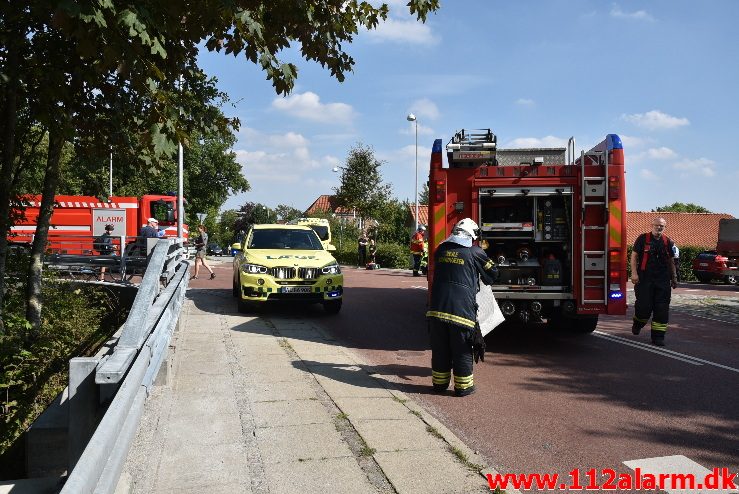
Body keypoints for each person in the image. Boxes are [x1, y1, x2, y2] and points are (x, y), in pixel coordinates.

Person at [426, 218, 498, 397]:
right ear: (472, 235)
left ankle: (440, 385)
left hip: (436, 309)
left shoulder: (441, 249)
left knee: (440, 348)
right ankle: (463, 387)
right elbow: (493, 273)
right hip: (461, 311)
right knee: (462, 348)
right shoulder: (475, 251)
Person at [630, 217, 678, 346]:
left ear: (665, 227)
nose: (659, 228)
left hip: (662, 280)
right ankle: (638, 323)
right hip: (645, 279)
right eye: (657, 225)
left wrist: (674, 277)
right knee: (643, 306)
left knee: (662, 309)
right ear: (652, 225)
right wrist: (634, 273)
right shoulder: (642, 239)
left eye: (662, 226)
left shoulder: (668, 242)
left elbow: (671, 261)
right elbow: (634, 256)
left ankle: (658, 337)